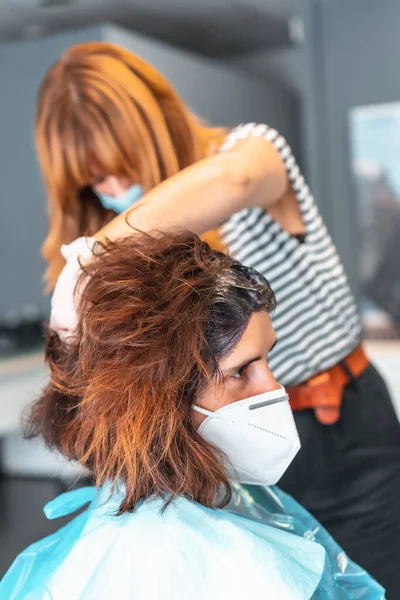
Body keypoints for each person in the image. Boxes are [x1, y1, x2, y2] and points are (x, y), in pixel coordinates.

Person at [34, 41, 400, 596]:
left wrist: (93, 259)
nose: (112, 191)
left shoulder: (251, 154)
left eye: (120, 168)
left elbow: (232, 182)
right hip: (215, 449)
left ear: (153, 128)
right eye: (94, 182)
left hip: (337, 432)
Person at [0, 233, 385, 599]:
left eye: (268, 360)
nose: (276, 390)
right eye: (241, 371)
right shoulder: (179, 557)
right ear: (162, 399)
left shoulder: (200, 511)